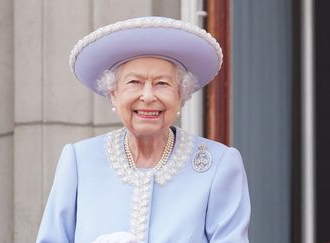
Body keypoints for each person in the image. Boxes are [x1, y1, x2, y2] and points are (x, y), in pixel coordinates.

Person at [36, 16, 250, 243]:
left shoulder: (219, 165)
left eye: (162, 84)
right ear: (114, 94)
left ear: (180, 95)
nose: (147, 96)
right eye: (134, 82)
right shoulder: (79, 161)